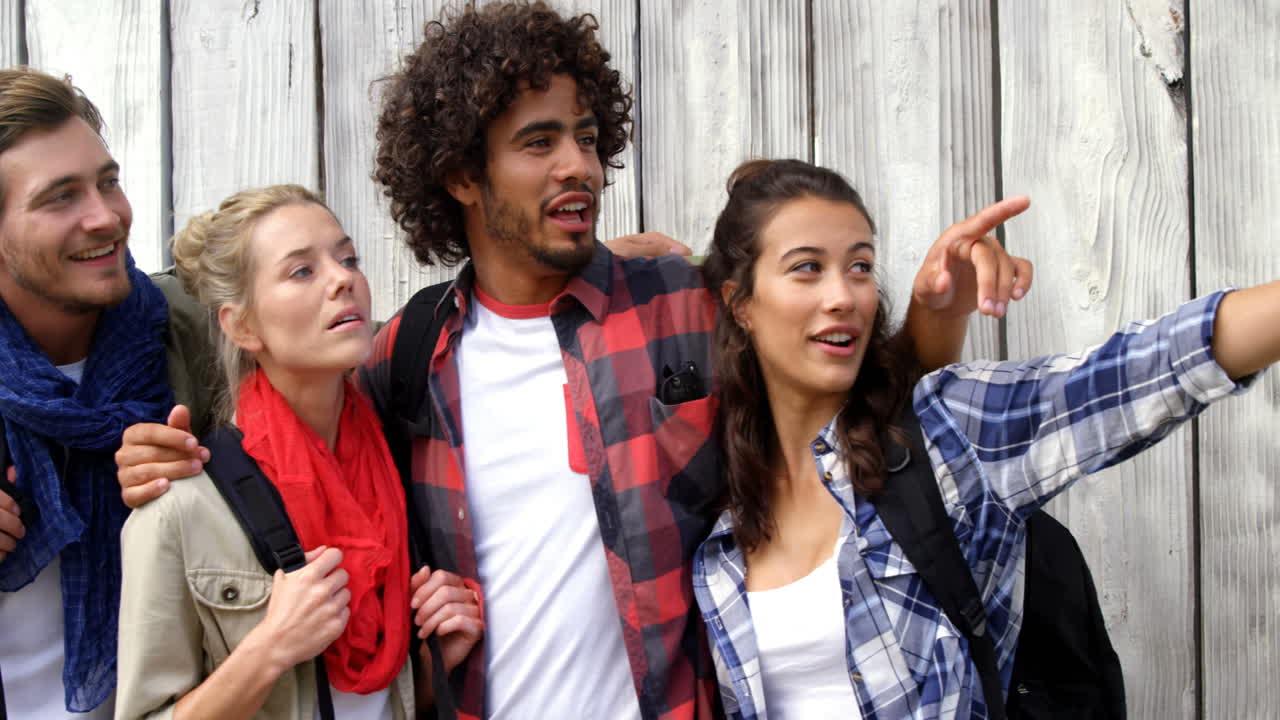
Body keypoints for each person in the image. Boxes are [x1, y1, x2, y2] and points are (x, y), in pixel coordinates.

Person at [114, 3, 1031, 719]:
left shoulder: (682, 302)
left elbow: (863, 404)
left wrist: (934, 316)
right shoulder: (406, 355)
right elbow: (293, 443)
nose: (579, 166)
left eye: (587, 136)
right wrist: (166, 457)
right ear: (461, 175)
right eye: (539, 142)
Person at [691, 158, 1278, 719]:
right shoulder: (716, 539)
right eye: (806, 268)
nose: (843, 295)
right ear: (739, 302)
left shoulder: (952, 430)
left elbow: (1133, 373)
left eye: (860, 266)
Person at [113, 184, 484, 719]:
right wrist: (270, 649)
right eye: (302, 271)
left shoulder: (394, 476)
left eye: (348, 258)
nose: (343, 279)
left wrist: (435, 665)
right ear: (241, 325)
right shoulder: (179, 511)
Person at [0, 67, 216, 719]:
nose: (107, 217)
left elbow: (357, 362)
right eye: (61, 197)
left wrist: (201, 484)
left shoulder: (197, 332)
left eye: (108, 182)